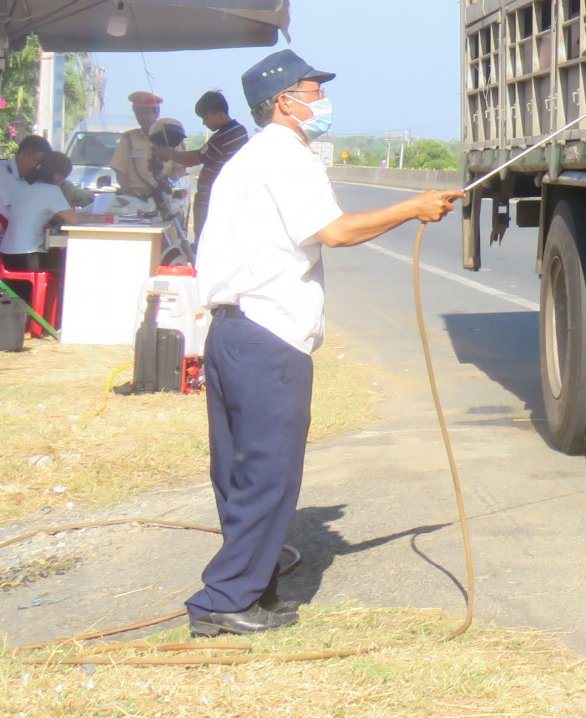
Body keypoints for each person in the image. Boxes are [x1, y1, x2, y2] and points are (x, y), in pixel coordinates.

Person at [188, 49, 462, 636]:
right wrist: (414, 206)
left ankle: (253, 591)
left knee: (240, 472)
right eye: (313, 92)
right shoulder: (287, 156)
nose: (322, 103)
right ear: (284, 101)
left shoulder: (249, 157)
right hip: (268, 332)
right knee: (269, 470)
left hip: (234, 332)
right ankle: (223, 600)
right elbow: (334, 232)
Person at [161, 91, 249, 245]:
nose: (204, 123)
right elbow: (200, 153)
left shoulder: (228, 136)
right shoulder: (229, 132)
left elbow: (193, 159)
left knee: (206, 244)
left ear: (220, 114)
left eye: (205, 118)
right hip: (214, 199)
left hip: (214, 201)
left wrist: (169, 154)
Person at [0, 152, 92, 275]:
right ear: (57, 174)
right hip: (29, 257)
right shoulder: (51, 190)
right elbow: (74, 220)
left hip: (5, 255)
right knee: (69, 264)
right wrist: (93, 218)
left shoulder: (21, 184)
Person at [110, 90, 166, 199]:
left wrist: (169, 184)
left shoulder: (170, 138)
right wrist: (126, 190)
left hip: (165, 196)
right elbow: (120, 171)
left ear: (157, 113)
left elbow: (180, 168)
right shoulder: (128, 139)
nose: (141, 117)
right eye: (138, 113)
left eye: (146, 113)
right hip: (137, 197)